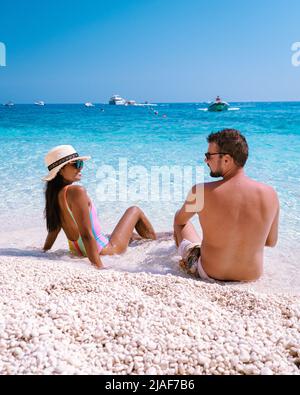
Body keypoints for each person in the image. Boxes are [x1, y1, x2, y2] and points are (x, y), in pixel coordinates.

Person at [174, 129, 279, 282]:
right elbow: (270, 242)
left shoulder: (201, 192)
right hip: (251, 277)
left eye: (209, 155)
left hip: (210, 273)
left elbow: (180, 220)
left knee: (181, 221)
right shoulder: (271, 194)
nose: (206, 160)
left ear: (227, 159)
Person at [42, 145, 156, 269]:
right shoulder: (77, 191)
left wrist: (44, 251)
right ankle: (156, 245)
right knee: (134, 210)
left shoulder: (55, 195)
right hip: (104, 250)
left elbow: (54, 229)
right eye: (76, 164)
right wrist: (99, 266)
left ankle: (158, 238)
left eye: (81, 164)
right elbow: (86, 234)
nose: (80, 168)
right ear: (61, 170)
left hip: (77, 251)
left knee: (132, 236)